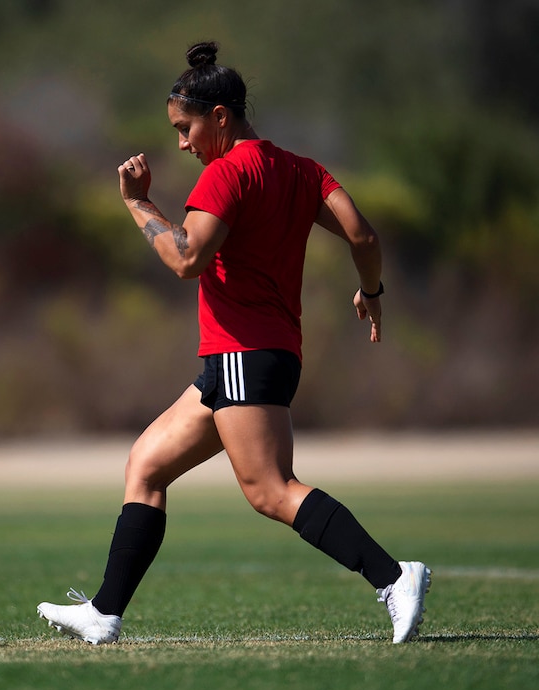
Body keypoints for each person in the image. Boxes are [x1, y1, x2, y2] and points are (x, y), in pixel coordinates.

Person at [37, 41, 430, 645]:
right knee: (145, 466)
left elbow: (187, 258)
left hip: (244, 354)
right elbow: (362, 232)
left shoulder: (228, 173)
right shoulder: (301, 170)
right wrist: (371, 290)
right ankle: (104, 612)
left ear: (220, 116)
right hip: (258, 356)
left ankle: (393, 575)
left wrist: (139, 202)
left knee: (270, 490)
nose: (182, 144)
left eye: (186, 128)